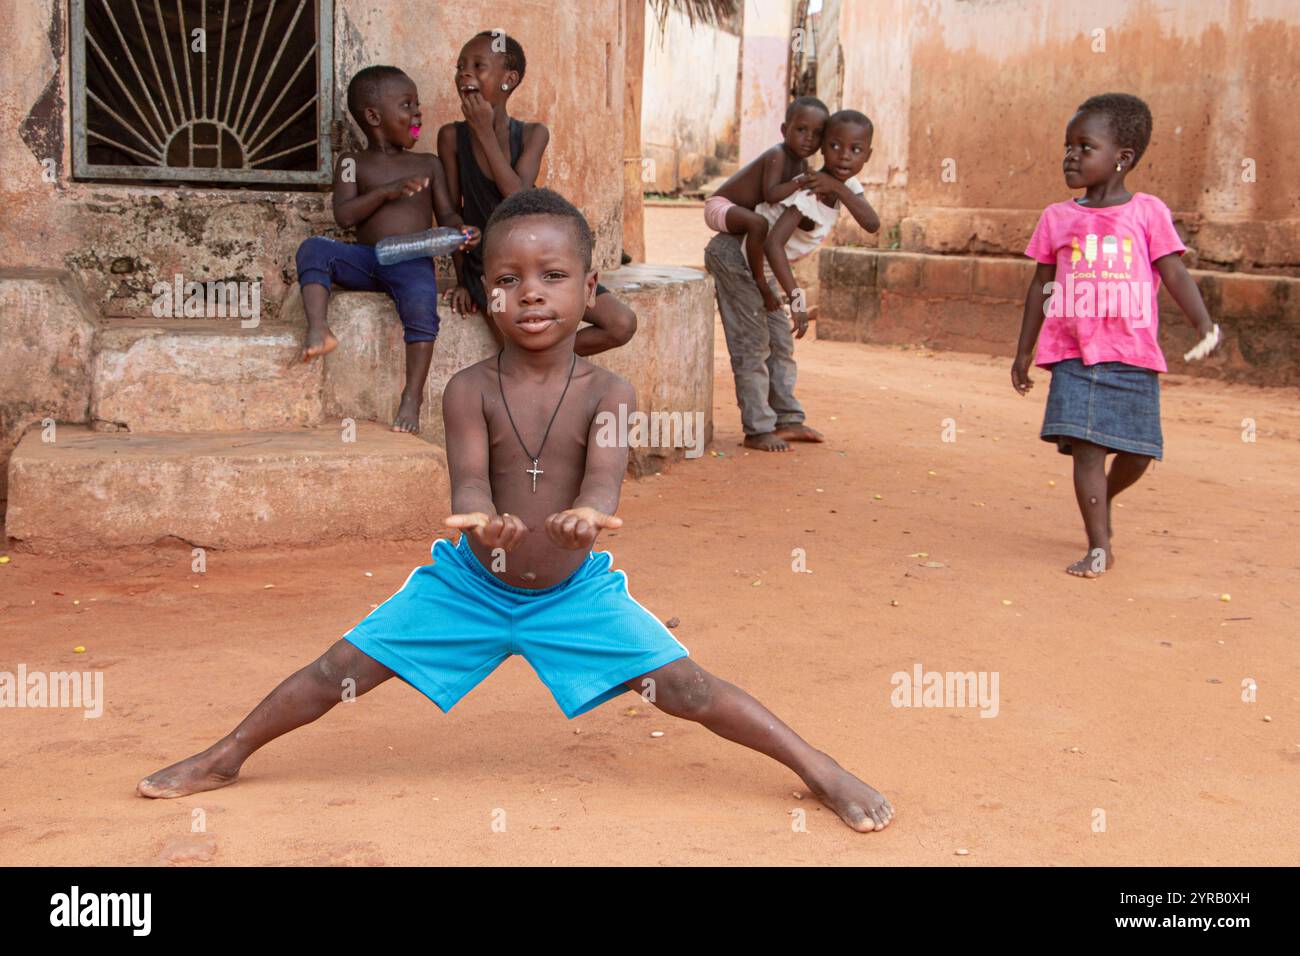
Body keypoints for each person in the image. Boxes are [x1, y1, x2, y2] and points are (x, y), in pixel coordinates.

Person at [136, 188, 894, 834]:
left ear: (589, 286)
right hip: (469, 585)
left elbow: (604, 483)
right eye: (509, 278)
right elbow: (468, 484)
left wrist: (584, 519)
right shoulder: (468, 388)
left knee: (690, 689)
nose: (531, 293)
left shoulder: (611, 395)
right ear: (485, 291)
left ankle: (817, 766)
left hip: (572, 593)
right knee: (340, 668)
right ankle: (227, 753)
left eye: (553, 275)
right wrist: (483, 523)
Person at [1011, 93, 1217, 577]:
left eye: (1085, 147)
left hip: (1133, 354)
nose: (1071, 156)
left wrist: (1203, 321)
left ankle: (1103, 500)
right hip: (1073, 353)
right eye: (1068, 146)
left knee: (1141, 451)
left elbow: (1174, 273)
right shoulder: (1057, 218)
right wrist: (1024, 350)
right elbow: (1041, 284)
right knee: (1087, 450)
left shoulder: (1147, 212)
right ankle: (1098, 545)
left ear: (1121, 158)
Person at [294, 65, 476, 433]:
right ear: (374, 117)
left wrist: (461, 238)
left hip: (411, 260)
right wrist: (386, 192)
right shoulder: (350, 163)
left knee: (421, 301)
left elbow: (448, 215)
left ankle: (412, 396)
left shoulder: (429, 164)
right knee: (313, 249)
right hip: (367, 259)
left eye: (418, 104)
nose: (417, 113)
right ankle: (318, 329)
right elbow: (344, 216)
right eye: (407, 105)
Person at [437, 31, 636, 356]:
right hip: (492, 267)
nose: (464, 73)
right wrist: (462, 280)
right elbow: (451, 215)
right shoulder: (450, 138)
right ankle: (543, 360)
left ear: (508, 80)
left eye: (478, 65)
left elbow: (517, 198)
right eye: (460, 66)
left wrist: (485, 133)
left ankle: (550, 356)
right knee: (521, 346)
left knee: (621, 323)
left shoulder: (533, 134)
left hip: (541, 259)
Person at [705, 109, 880, 452]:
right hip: (736, 260)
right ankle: (757, 429)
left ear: (867, 156)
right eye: (834, 146)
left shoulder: (846, 186)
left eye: (856, 150)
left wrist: (840, 188)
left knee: (781, 344)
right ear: (821, 149)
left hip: (763, 269)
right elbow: (773, 243)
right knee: (753, 344)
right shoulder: (808, 192)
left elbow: (871, 223)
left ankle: (787, 419)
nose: (844, 156)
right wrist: (797, 300)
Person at [703, 96, 830, 306]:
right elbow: (771, 195)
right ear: (783, 130)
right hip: (720, 206)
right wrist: (801, 181)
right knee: (758, 223)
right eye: (801, 130)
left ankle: (767, 284)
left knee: (762, 225)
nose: (809, 139)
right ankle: (759, 282)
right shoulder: (777, 154)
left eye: (817, 134)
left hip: (741, 216)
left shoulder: (802, 165)